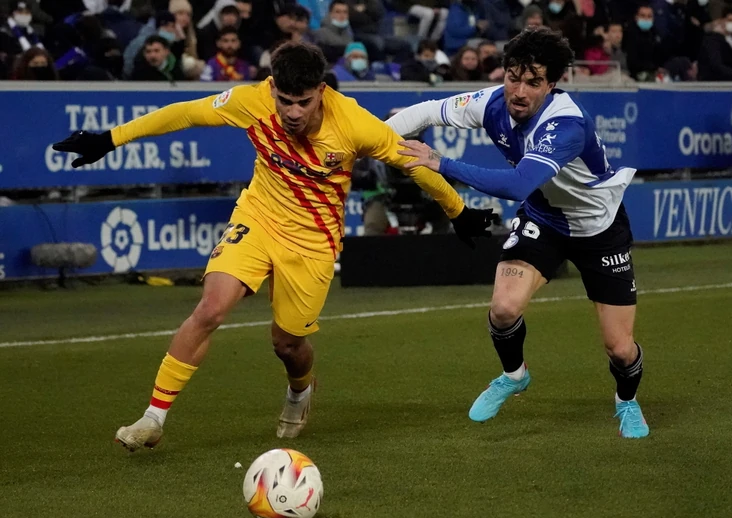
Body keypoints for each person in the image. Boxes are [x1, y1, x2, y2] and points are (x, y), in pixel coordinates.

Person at [52, 41, 496, 451]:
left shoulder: (355, 124)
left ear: (321, 91)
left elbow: (414, 164)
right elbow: (185, 113)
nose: (293, 112)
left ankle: (300, 391)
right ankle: (153, 418)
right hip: (258, 216)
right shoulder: (252, 100)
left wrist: (458, 211)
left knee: (287, 344)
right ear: (272, 89)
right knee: (210, 308)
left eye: (303, 102)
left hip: (313, 240)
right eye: (285, 101)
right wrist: (110, 138)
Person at [389, 28, 650, 439]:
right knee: (504, 309)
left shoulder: (565, 125)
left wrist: (441, 163)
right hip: (545, 219)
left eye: (533, 82)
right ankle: (514, 375)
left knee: (619, 348)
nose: (520, 91)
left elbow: (517, 184)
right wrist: (368, 141)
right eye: (513, 78)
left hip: (599, 229)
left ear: (552, 84)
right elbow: (427, 111)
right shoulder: (493, 102)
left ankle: (626, 401)